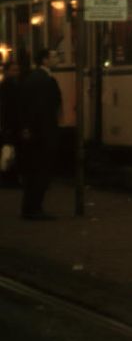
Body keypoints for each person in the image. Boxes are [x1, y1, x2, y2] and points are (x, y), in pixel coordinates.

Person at [18, 48, 62, 220]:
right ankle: (34, 208)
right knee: (41, 171)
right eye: (55, 56)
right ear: (45, 60)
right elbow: (44, 108)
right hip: (43, 132)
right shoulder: (44, 80)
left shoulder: (33, 78)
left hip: (36, 132)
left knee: (34, 172)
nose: (57, 59)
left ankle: (30, 207)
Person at [0, 59, 23, 188]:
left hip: (8, 124)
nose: (16, 73)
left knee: (9, 151)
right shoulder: (10, 86)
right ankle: (10, 179)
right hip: (10, 124)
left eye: (17, 70)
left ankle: (8, 178)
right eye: (14, 70)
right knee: (11, 151)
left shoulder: (6, 85)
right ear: (7, 71)